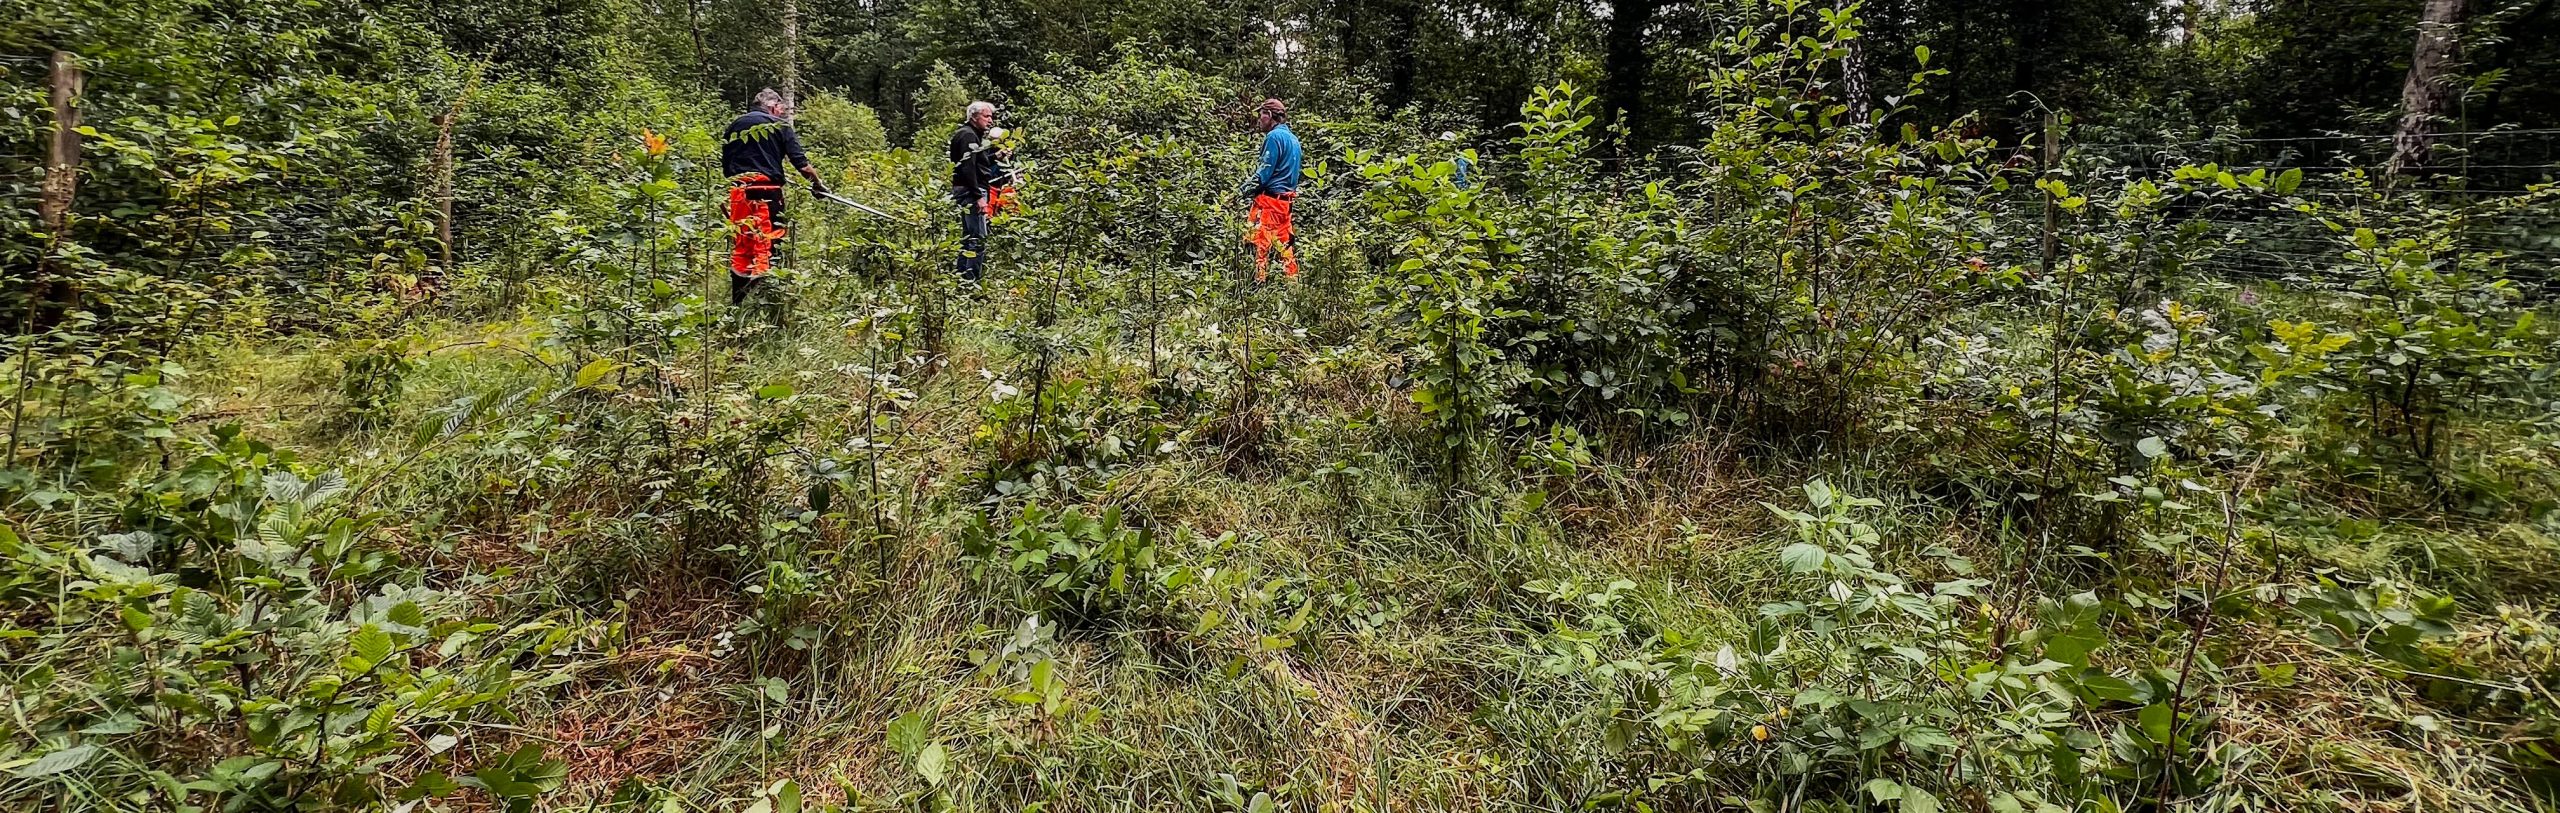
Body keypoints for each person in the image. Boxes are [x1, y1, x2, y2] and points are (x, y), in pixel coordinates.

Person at [721, 88, 830, 305]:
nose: (782, 114)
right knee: (768, 244)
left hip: (738, 193)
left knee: (743, 245)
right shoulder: (778, 126)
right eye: (782, 109)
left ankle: (738, 305)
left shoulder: (734, 126)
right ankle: (768, 303)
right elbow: (802, 165)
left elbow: (726, 166)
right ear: (773, 106)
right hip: (767, 193)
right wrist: (818, 185)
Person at [1241, 98, 1302, 282]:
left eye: (1261, 115)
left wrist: (1242, 191)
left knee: (1259, 245)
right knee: (1285, 247)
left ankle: (1257, 286)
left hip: (1269, 203)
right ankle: (1293, 285)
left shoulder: (1274, 137)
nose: (1259, 120)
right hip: (1286, 205)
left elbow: (1263, 173)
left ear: (1269, 115)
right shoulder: (1294, 140)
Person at [948, 101, 1006, 284]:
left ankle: (960, 278)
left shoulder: (970, 135)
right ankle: (970, 283)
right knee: (978, 239)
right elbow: (968, 168)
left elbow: (977, 164)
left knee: (969, 238)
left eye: (991, 117)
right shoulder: (968, 136)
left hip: (968, 190)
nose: (990, 121)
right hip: (971, 192)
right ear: (974, 117)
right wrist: (979, 196)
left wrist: (995, 157)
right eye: (986, 116)